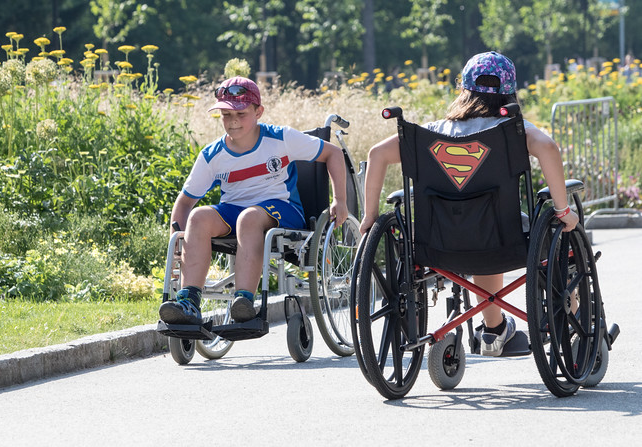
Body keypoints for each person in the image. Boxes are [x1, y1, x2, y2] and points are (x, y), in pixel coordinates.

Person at [359, 51, 579, 356]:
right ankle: (569, 317)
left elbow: (376, 154)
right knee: (556, 230)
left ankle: (495, 330)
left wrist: (370, 216)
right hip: (502, 239)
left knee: (475, 228)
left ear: (463, 90)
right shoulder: (511, 132)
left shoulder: (432, 133)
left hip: (435, 242)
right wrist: (563, 210)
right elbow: (548, 147)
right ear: (509, 91)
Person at [160, 76, 348, 325]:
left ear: (259, 111)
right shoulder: (212, 155)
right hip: (234, 210)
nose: (233, 121)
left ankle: (244, 302)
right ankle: (188, 302)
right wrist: (178, 242)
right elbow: (184, 203)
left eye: (240, 113)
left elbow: (333, 153)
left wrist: (340, 200)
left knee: (249, 218)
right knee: (198, 217)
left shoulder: (281, 139)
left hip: (282, 208)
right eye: (226, 115)